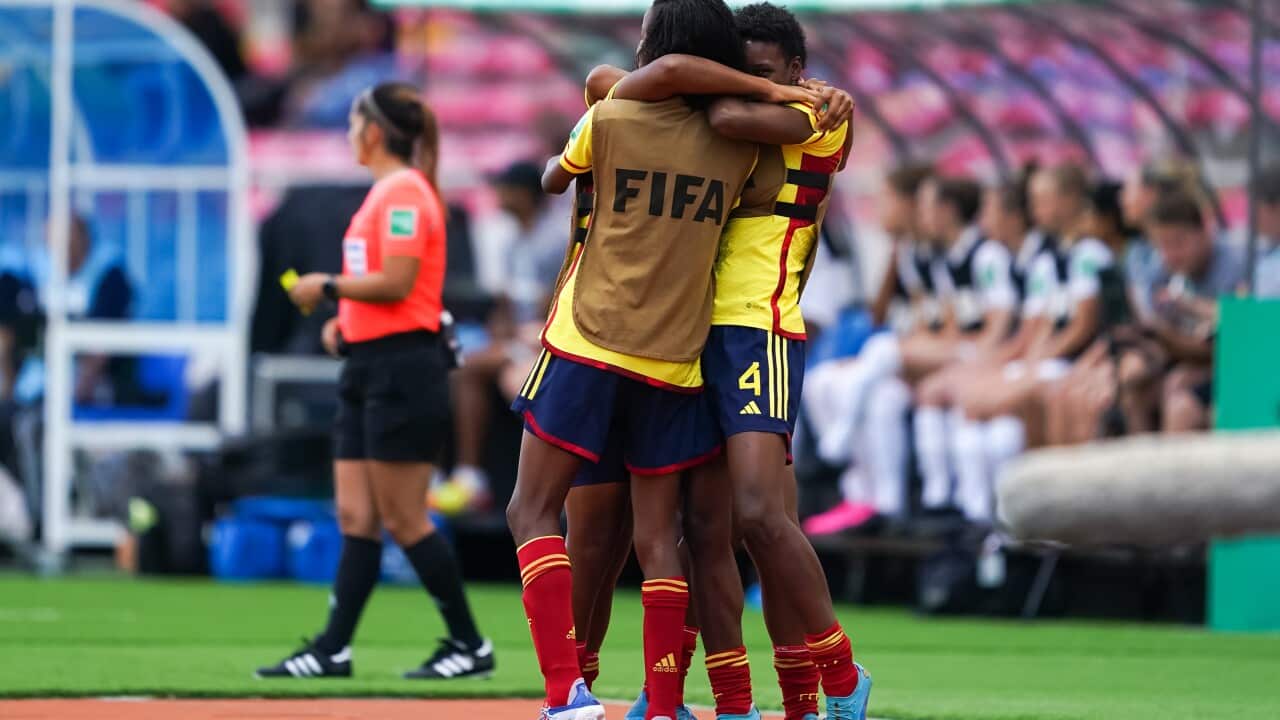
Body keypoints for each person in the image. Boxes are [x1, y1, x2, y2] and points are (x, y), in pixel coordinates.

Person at [565, 6, 862, 719]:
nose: (740, 85)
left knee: (763, 516)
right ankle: (714, 701)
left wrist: (729, 89)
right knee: (703, 534)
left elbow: (723, 118)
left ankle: (836, 681)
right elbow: (605, 76)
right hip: (691, 331)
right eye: (732, 69)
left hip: (760, 328)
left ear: (798, 69)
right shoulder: (734, 101)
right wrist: (733, 83)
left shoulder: (820, 115)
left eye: (759, 72)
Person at [506, 0, 767, 716]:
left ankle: (566, 692)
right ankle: (662, 702)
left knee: (532, 510)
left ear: (653, 45)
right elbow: (765, 189)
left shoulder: (611, 120)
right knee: (660, 539)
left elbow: (555, 178)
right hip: (675, 360)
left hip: (588, 340)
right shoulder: (739, 146)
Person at [258, 82, 492, 681]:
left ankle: (469, 644)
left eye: (352, 123)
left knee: (404, 519)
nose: (346, 134)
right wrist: (345, 322)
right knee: (354, 515)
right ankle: (333, 648)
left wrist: (327, 287)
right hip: (368, 365)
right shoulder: (385, 193)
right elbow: (389, 291)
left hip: (403, 371)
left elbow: (397, 280)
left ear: (372, 131)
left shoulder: (406, 191)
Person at [801, 163, 937, 535]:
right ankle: (862, 496)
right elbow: (879, 315)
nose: (880, 209)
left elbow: (940, 324)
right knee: (834, 384)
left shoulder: (939, 254)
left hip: (929, 359)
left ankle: (879, 494)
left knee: (878, 368)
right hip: (905, 358)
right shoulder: (907, 252)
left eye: (887, 199)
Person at [441, 161, 571, 515]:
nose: (496, 196)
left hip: (551, 341)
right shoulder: (514, 242)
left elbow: (562, 296)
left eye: (503, 189)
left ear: (523, 194)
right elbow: (506, 304)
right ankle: (470, 477)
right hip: (522, 340)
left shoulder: (557, 238)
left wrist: (526, 337)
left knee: (477, 371)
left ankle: (473, 477)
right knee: (467, 363)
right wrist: (500, 335)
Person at [1114, 189, 1245, 434]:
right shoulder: (1162, 269)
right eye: (1162, 246)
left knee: (1178, 388)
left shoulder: (1237, 264)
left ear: (1204, 231)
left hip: (1229, 363)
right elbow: (1156, 323)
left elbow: (1235, 336)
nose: (1170, 255)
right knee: (1133, 383)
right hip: (1186, 356)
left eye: (1178, 242)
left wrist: (1186, 309)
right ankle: (1142, 466)